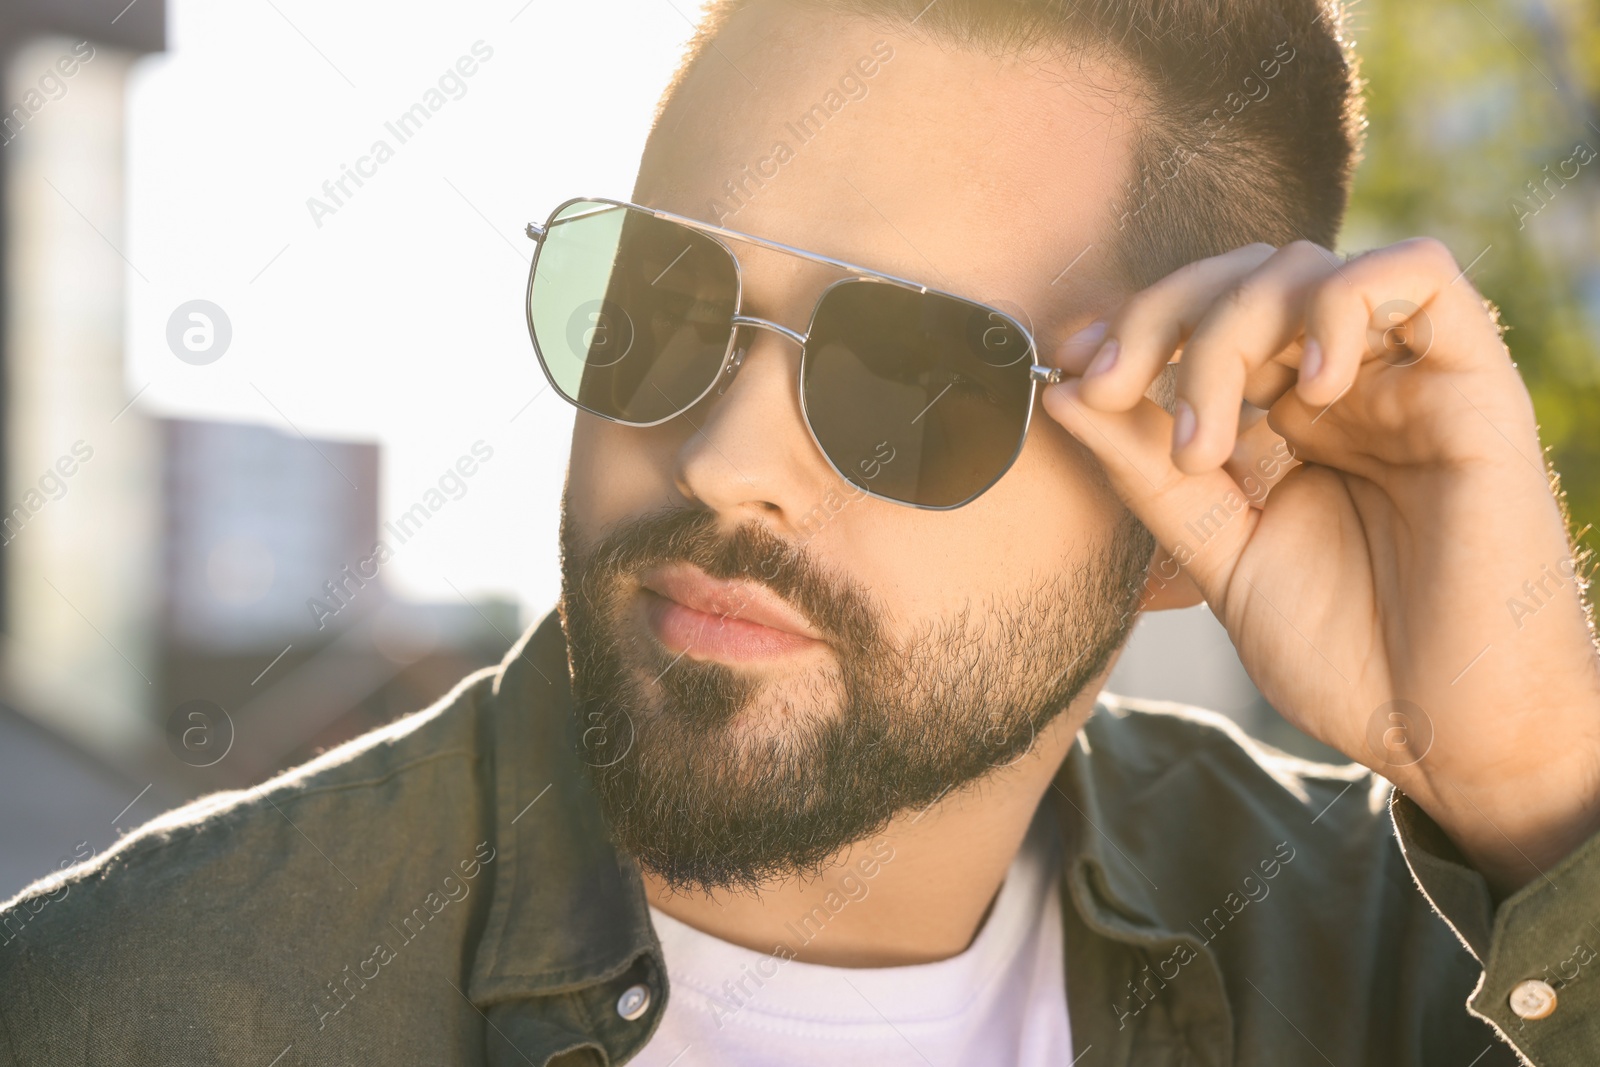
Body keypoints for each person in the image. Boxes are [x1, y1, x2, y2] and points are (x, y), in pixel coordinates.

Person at [4, 0, 1598, 1063]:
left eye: (910, 375)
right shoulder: (132, 1010)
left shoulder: (1429, 977)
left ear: (1190, 501)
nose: (718, 461)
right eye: (662, 301)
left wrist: (1541, 791)